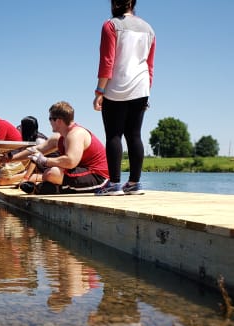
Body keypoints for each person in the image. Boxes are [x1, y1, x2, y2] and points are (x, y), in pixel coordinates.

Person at [93, 0, 155, 196]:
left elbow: (107, 61)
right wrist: (147, 91)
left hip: (116, 87)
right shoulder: (149, 29)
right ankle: (134, 183)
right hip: (141, 87)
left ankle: (114, 184)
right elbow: (150, 65)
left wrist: (99, 91)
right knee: (134, 135)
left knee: (114, 135)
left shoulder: (111, 25)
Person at [6, 101, 109, 194]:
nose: (49, 122)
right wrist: (10, 158)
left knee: (52, 173)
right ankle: (40, 188)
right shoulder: (59, 137)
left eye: (50, 119)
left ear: (58, 121)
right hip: (81, 172)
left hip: (99, 177)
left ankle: (41, 188)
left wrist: (45, 160)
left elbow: (70, 161)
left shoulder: (76, 134)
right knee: (48, 178)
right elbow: (36, 150)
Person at [0, 115, 49, 186]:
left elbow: (35, 160)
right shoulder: (30, 139)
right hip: (33, 168)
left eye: (22, 126)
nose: (20, 127)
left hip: (44, 169)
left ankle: (32, 175)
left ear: (27, 128)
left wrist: (26, 177)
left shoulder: (39, 140)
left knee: (1, 181)